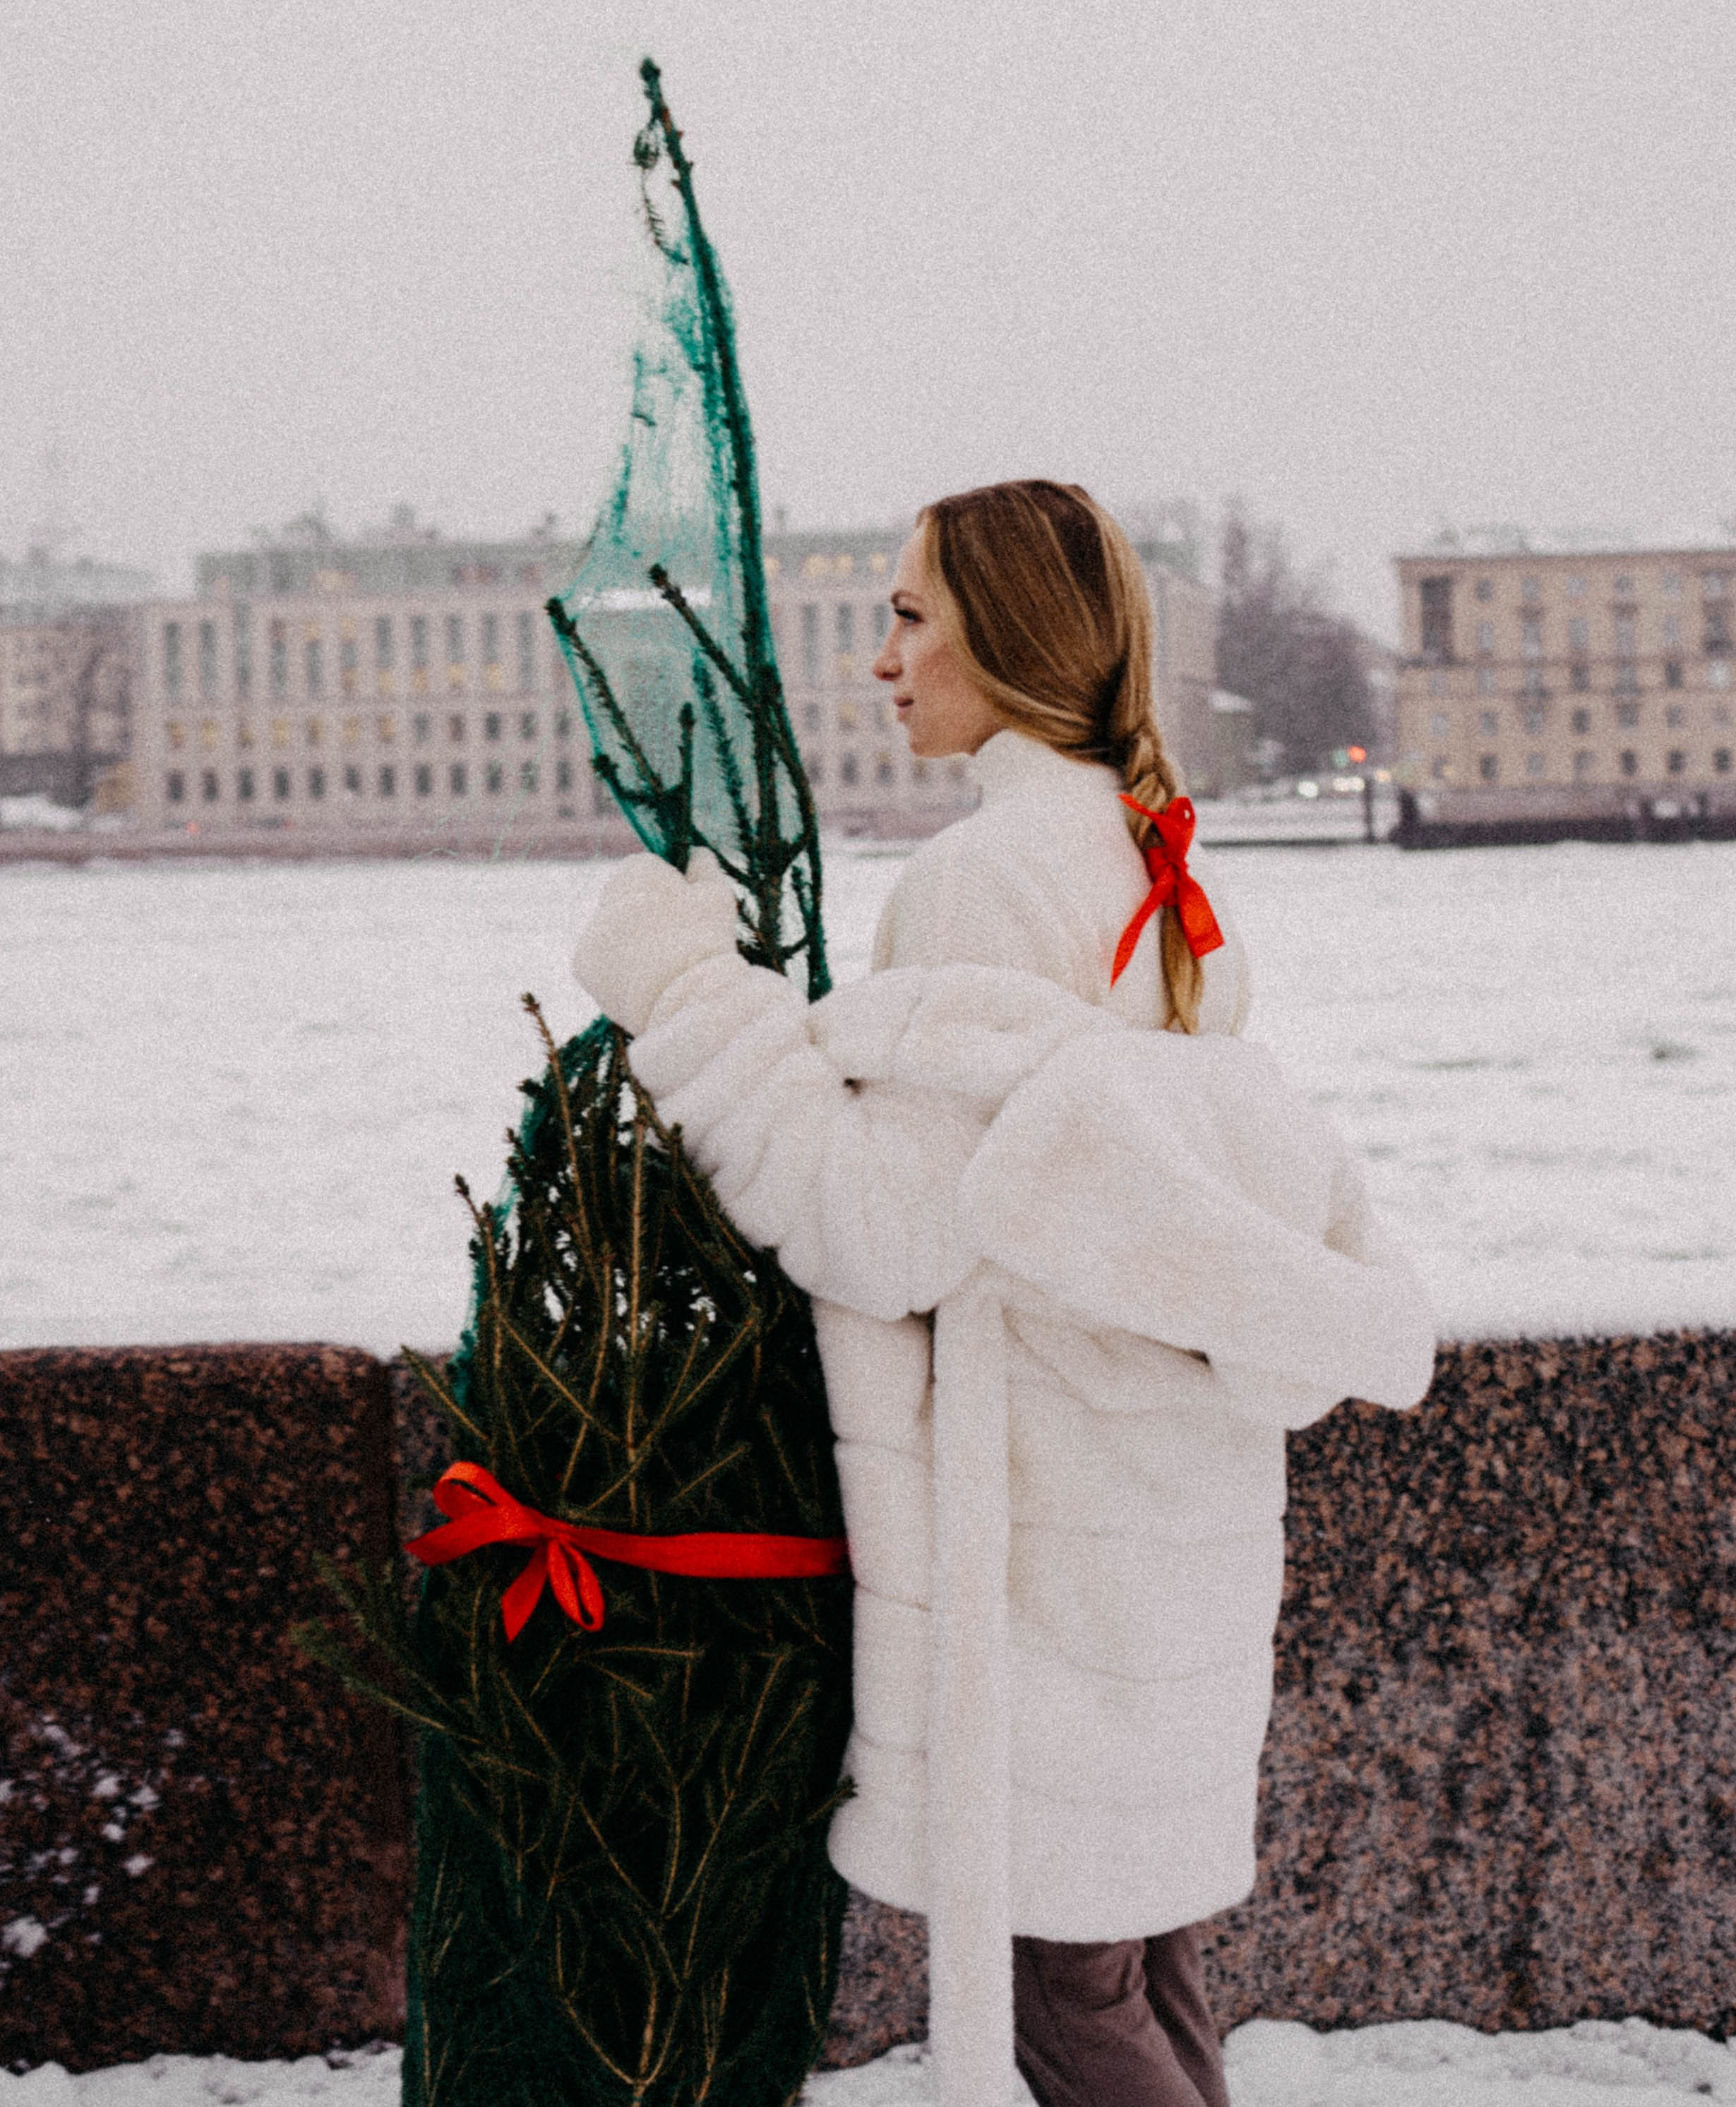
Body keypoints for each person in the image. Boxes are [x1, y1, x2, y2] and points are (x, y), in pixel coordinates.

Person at [572, 479, 1435, 2107]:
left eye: (909, 616)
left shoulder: (978, 877)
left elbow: (882, 1228)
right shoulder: (1157, 867)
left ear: (1009, 636)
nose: (880, 660)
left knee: (1066, 1996)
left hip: (1034, 1535)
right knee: (1138, 1967)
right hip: (1169, 1523)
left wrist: (687, 993)